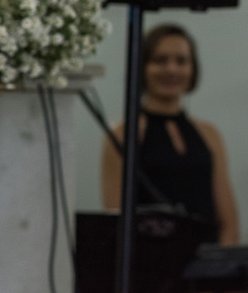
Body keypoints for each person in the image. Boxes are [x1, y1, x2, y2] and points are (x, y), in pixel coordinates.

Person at [102, 23, 239, 246]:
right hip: (150, 268)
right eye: (160, 60)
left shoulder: (210, 134)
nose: (172, 69)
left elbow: (229, 223)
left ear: (193, 69)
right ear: (142, 67)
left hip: (205, 266)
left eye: (181, 61)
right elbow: (116, 219)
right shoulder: (123, 134)